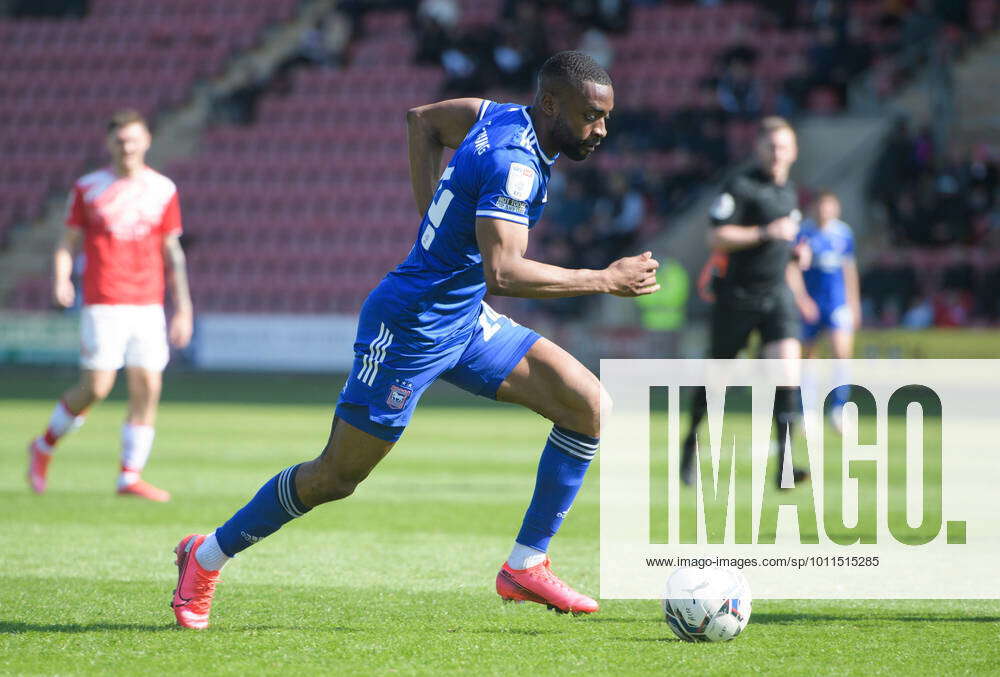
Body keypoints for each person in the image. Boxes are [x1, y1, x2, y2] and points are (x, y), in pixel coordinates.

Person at [170, 51, 659, 629]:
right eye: (590, 116)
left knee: (587, 406)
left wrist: (429, 217)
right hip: (410, 327)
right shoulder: (514, 165)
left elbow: (422, 120)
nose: (601, 130)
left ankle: (526, 565)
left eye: (605, 117)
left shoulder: (496, 115)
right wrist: (604, 279)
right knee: (336, 477)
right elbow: (505, 271)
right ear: (551, 104)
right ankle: (204, 558)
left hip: (464, 319)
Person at [26, 110, 193, 501]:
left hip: (148, 303)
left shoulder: (163, 189)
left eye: (134, 139)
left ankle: (129, 476)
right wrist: (62, 277)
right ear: (109, 144)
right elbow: (67, 242)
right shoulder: (89, 188)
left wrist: (183, 307)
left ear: (147, 141)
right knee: (97, 386)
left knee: (148, 386)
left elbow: (172, 250)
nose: (127, 146)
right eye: (120, 140)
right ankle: (44, 445)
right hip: (104, 301)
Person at [680, 116, 809, 489]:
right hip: (737, 296)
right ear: (759, 149)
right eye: (771, 146)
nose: (777, 154)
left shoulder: (789, 193)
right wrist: (767, 231)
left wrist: (797, 255)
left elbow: (783, 245)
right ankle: (691, 444)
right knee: (717, 381)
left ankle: (785, 467)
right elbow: (716, 236)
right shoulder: (741, 186)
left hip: (776, 296)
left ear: (794, 151)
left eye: (783, 147)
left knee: (788, 374)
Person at [795, 191, 860, 428]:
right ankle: (806, 410)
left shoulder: (843, 234)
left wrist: (854, 302)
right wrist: (801, 299)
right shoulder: (803, 233)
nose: (825, 211)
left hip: (837, 302)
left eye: (830, 206)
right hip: (811, 303)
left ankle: (839, 408)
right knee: (807, 357)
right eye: (822, 206)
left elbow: (849, 269)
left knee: (841, 353)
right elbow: (794, 269)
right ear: (814, 208)